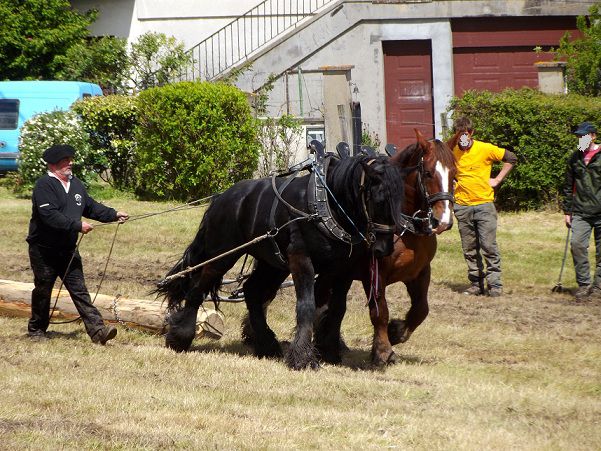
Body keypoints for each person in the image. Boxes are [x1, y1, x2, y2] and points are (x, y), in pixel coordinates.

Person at [26, 144, 129, 343]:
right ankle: (36, 330)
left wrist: (113, 214)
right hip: (44, 250)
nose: (70, 163)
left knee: (79, 290)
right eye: (66, 160)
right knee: (43, 290)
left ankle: (98, 331)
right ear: (53, 164)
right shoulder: (44, 185)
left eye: (70, 159)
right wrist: (77, 225)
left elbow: (90, 207)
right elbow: (49, 215)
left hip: (68, 249)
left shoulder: (76, 184)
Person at [451, 116, 517, 297]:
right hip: (462, 206)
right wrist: (452, 182)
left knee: (489, 246)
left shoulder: (485, 148)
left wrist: (497, 179)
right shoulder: (452, 152)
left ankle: (494, 285)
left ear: (471, 133)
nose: (462, 138)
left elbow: (511, 158)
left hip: (484, 206)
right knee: (469, 248)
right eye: (459, 135)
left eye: (465, 134)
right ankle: (476, 284)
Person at [562, 121, 601, 301]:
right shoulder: (574, 158)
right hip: (580, 211)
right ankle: (584, 285)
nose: (581, 139)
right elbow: (568, 186)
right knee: (577, 245)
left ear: (593, 136)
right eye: (579, 137)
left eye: (584, 136)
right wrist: (567, 211)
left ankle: (598, 287)